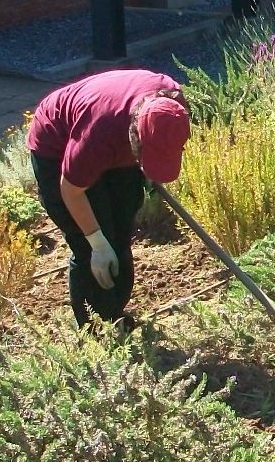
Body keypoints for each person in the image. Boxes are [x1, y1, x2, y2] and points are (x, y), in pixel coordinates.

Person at [27, 69, 191, 326]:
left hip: (117, 137)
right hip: (58, 144)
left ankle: (114, 316)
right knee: (91, 245)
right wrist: (97, 243)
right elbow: (71, 191)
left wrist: (156, 158)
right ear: (136, 137)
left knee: (121, 232)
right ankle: (95, 333)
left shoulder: (174, 106)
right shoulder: (97, 135)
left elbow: (164, 139)